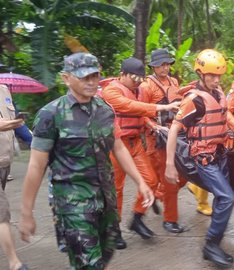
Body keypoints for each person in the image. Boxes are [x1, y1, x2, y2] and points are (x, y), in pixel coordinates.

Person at [18, 53, 155, 269]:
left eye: (95, 76)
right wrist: (27, 214)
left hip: (106, 199)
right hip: (74, 203)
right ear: (66, 78)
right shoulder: (51, 115)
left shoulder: (105, 110)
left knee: (107, 252)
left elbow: (118, 147)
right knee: (89, 263)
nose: (91, 82)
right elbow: (36, 165)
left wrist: (140, 181)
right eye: (84, 77)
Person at [165, 49, 234, 268]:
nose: (215, 80)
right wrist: (170, 164)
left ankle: (214, 244)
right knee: (227, 197)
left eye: (218, 76)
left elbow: (223, 114)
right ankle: (210, 245)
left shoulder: (218, 94)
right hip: (203, 157)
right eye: (211, 76)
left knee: (222, 198)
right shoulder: (194, 100)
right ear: (200, 73)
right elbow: (173, 130)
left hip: (220, 153)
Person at [101, 57, 182, 246]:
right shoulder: (111, 91)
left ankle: (137, 217)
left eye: (139, 79)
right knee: (116, 188)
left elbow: (141, 114)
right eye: (133, 79)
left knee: (151, 180)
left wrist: (153, 126)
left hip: (135, 142)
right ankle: (114, 229)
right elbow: (128, 106)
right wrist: (161, 107)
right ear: (122, 75)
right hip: (115, 144)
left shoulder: (140, 90)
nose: (137, 83)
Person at [138, 49, 196, 219]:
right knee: (160, 178)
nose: (165, 68)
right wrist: (154, 127)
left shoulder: (174, 82)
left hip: (174, 135)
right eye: (161, 65)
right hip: (155, 139)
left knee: (181, 175)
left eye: (167, 64)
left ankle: (158, 195)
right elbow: (141, 112)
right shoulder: (145, 86)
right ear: (153, 67)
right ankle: (169, 218)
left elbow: (178, 102)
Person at [0, 81, 28, 270]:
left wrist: (37, 142)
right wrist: (12, 123)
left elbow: (18, 126)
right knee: (2, 212)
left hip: (3, 161)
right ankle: (14, 263)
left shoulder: (3, 90)